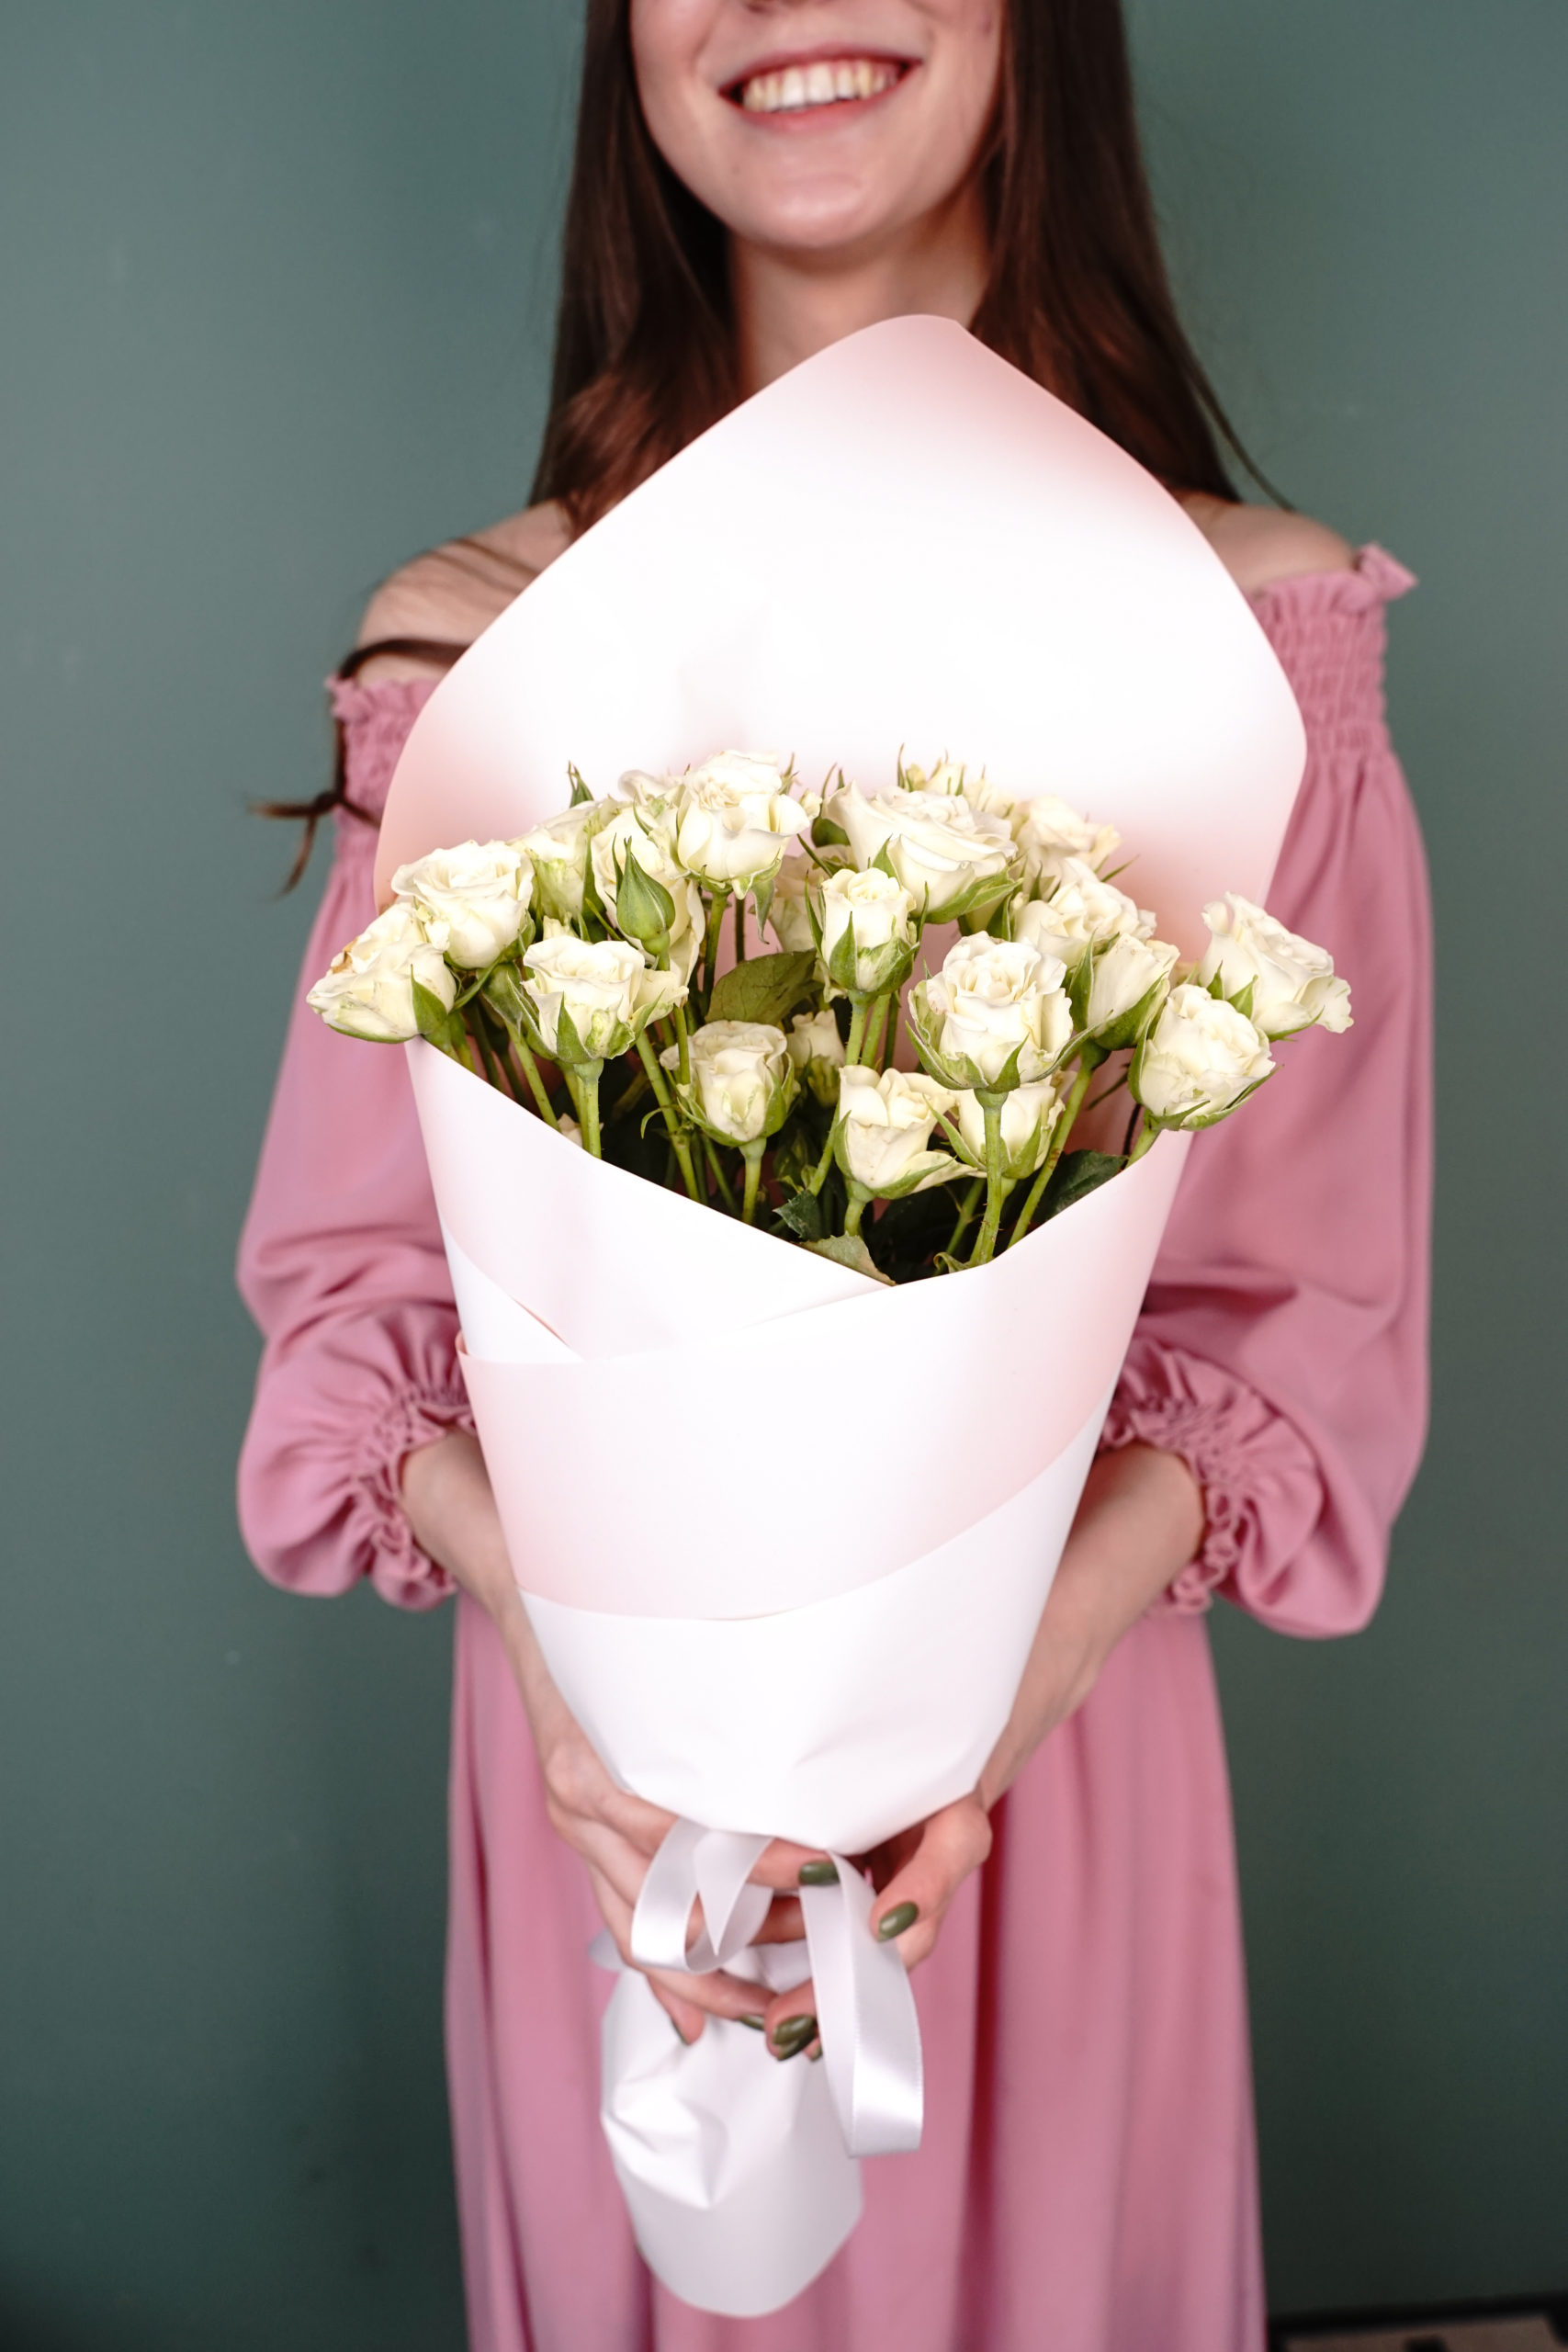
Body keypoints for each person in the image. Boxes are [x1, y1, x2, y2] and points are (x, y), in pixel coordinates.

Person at [239, 4, 1431, 2346]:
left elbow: (1290, 1332)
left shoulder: (1253, 643)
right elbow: (366, 1309)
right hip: (603, 1797)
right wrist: (592, 1694)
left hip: (1050, 1777)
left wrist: (961, 1723)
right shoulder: (472, 647)